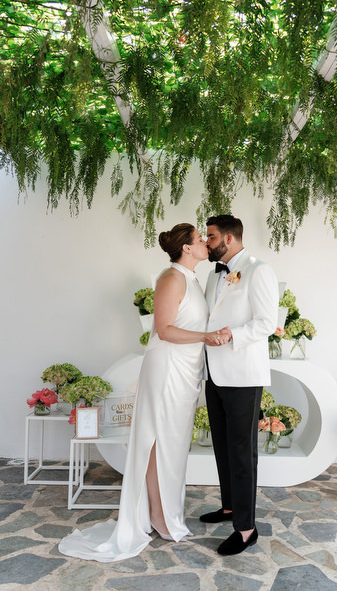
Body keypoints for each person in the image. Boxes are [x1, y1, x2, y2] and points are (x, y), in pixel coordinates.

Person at [59, 223, 228, 562]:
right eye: (200, 240)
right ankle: (158, 515)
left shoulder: (193, 279)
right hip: (167, 370)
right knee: (158, 441)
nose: (206, 244)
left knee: (175, 443)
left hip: (186, 372)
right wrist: (205, 337)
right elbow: (163, 330)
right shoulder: (171, 278)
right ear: (186, 248)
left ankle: (162, 512)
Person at [200, 214, 279, 555]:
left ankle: (246, 529)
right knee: (222, 446)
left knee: (243, 453)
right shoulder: (212, 275)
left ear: (228, 239)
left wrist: (233, 334)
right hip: (213, 373)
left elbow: (266, 322)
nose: (207, 242)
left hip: (243, 376)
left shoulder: (259, 270)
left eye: (211, 236)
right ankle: (230, 507)